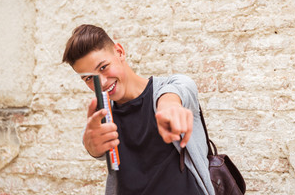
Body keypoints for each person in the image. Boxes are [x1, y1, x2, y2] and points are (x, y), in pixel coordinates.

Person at [62, 24, 214, 195]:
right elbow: (94, 143)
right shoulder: (103, 116)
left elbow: (179, 89)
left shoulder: (169, 88)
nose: (102, 83)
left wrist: (168, 105)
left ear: (119, 52)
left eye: (103, 67)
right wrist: (92, 148)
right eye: (89, 78)